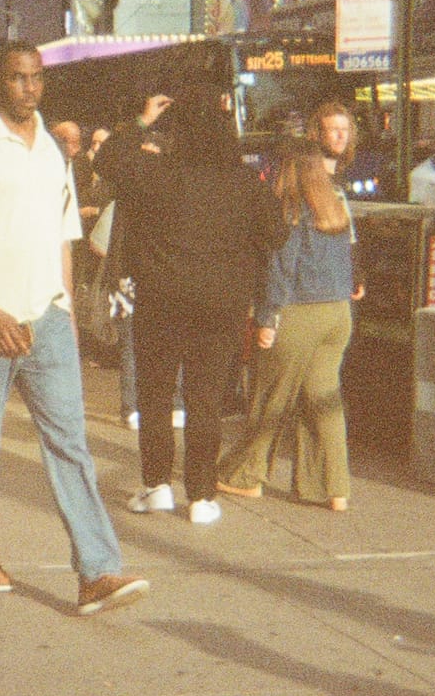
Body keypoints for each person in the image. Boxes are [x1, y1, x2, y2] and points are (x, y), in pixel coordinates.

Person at [0, 40, 149, 615]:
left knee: (70, 445)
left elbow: (64, 239)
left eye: (36, 79)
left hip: (46, 319)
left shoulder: (54, 148)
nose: (29, 88)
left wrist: (65, 311)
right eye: (18, 78)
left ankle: (97, 570)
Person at [96, 85, 283, 526]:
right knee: (206, 399)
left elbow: (105, 161)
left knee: (156, 394)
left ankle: (157, 485)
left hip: (161, 300)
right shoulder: (245, 184)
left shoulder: (155, 173)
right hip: (222, 304)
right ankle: (201, 495)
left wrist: (142, 120)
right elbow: (276, 234)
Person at [217, 137, 363, 511]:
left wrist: (266, 318)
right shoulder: (336, 208)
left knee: (269, 398)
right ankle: (332, 488)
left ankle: (246, 476)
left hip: (297, 314)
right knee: (323, 400)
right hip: (337, 314)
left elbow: (281, 270)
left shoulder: (290, 210)